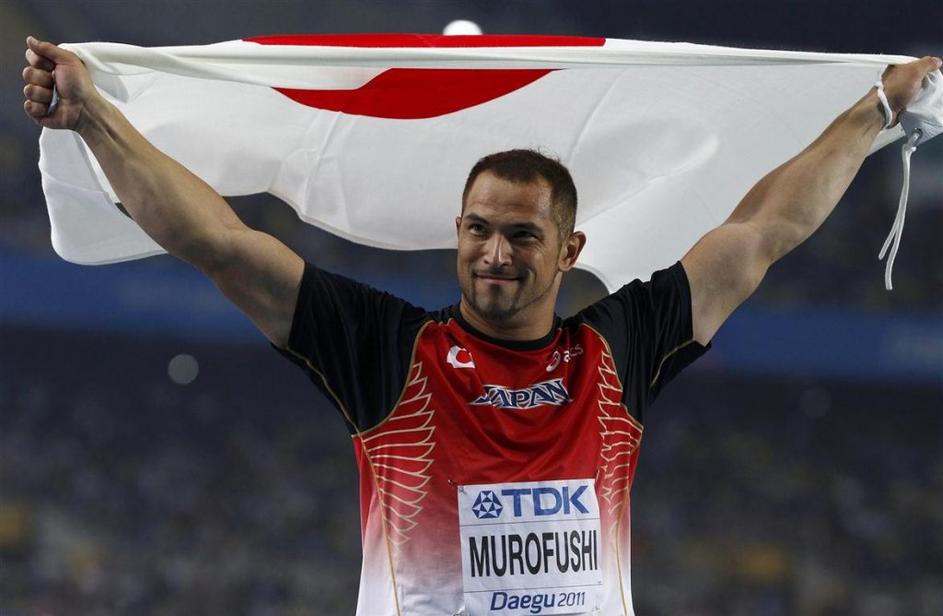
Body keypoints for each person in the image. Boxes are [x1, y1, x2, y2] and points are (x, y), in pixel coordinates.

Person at [22, 36, 941, 615]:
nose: (494, 253)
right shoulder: (387, 349)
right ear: (457, 231)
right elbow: (218, 241)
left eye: (521, 235)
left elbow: (760, 232)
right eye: (477, 229)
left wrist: (876, 110)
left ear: (568, 246)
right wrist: (92, 117)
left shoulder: (616, 349)